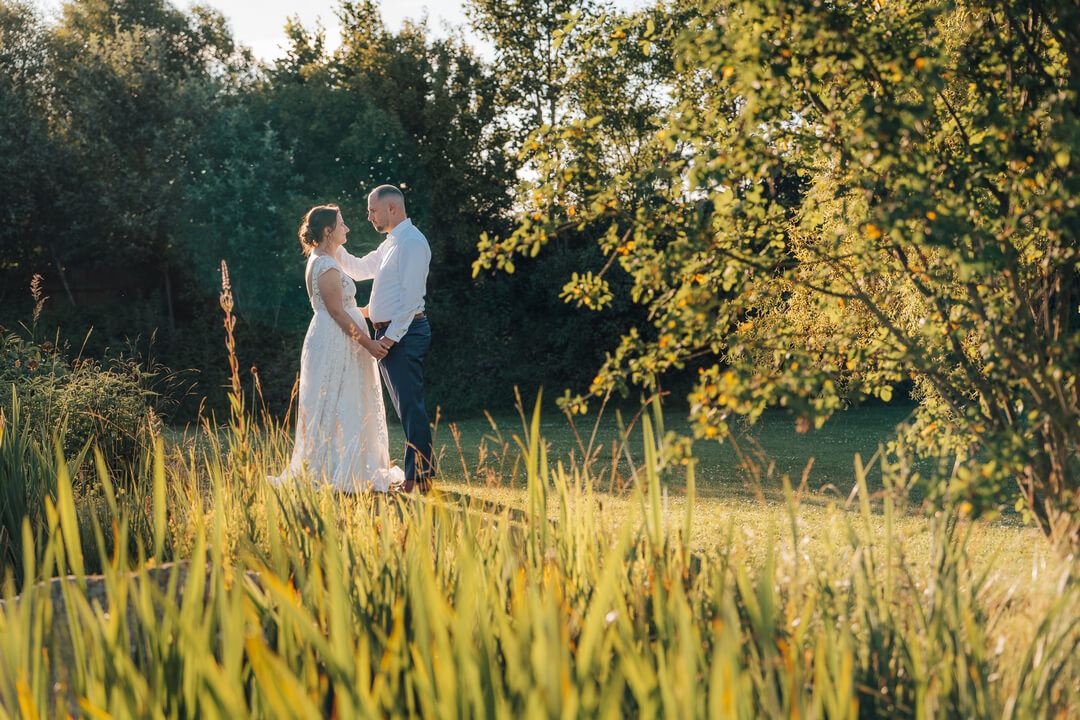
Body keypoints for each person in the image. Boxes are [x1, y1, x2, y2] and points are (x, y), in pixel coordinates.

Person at [271, 204, 405, 493]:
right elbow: (336, 311)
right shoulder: (325, 264)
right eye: (342, 224)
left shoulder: (328, 260)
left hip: (339, 337)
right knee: (338, 398)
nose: (347, 228)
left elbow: (345, 307)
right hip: (337, 340)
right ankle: (338, 469)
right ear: (329, 231)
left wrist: (371, 311)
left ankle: (354, 464)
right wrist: (369, 343)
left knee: (346, 398)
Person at [335, 185, 434, 493]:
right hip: (389, 333)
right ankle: (423, 477)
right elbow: (359, 268)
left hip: (404, 334)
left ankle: (417, 479)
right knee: (406, 407)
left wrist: (388, 340)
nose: (369, 216)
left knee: (410, 407)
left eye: (372, 210)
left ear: (392, 208)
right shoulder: (391, 243)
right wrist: (330, 244)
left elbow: (410, 300)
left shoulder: (412, 243)